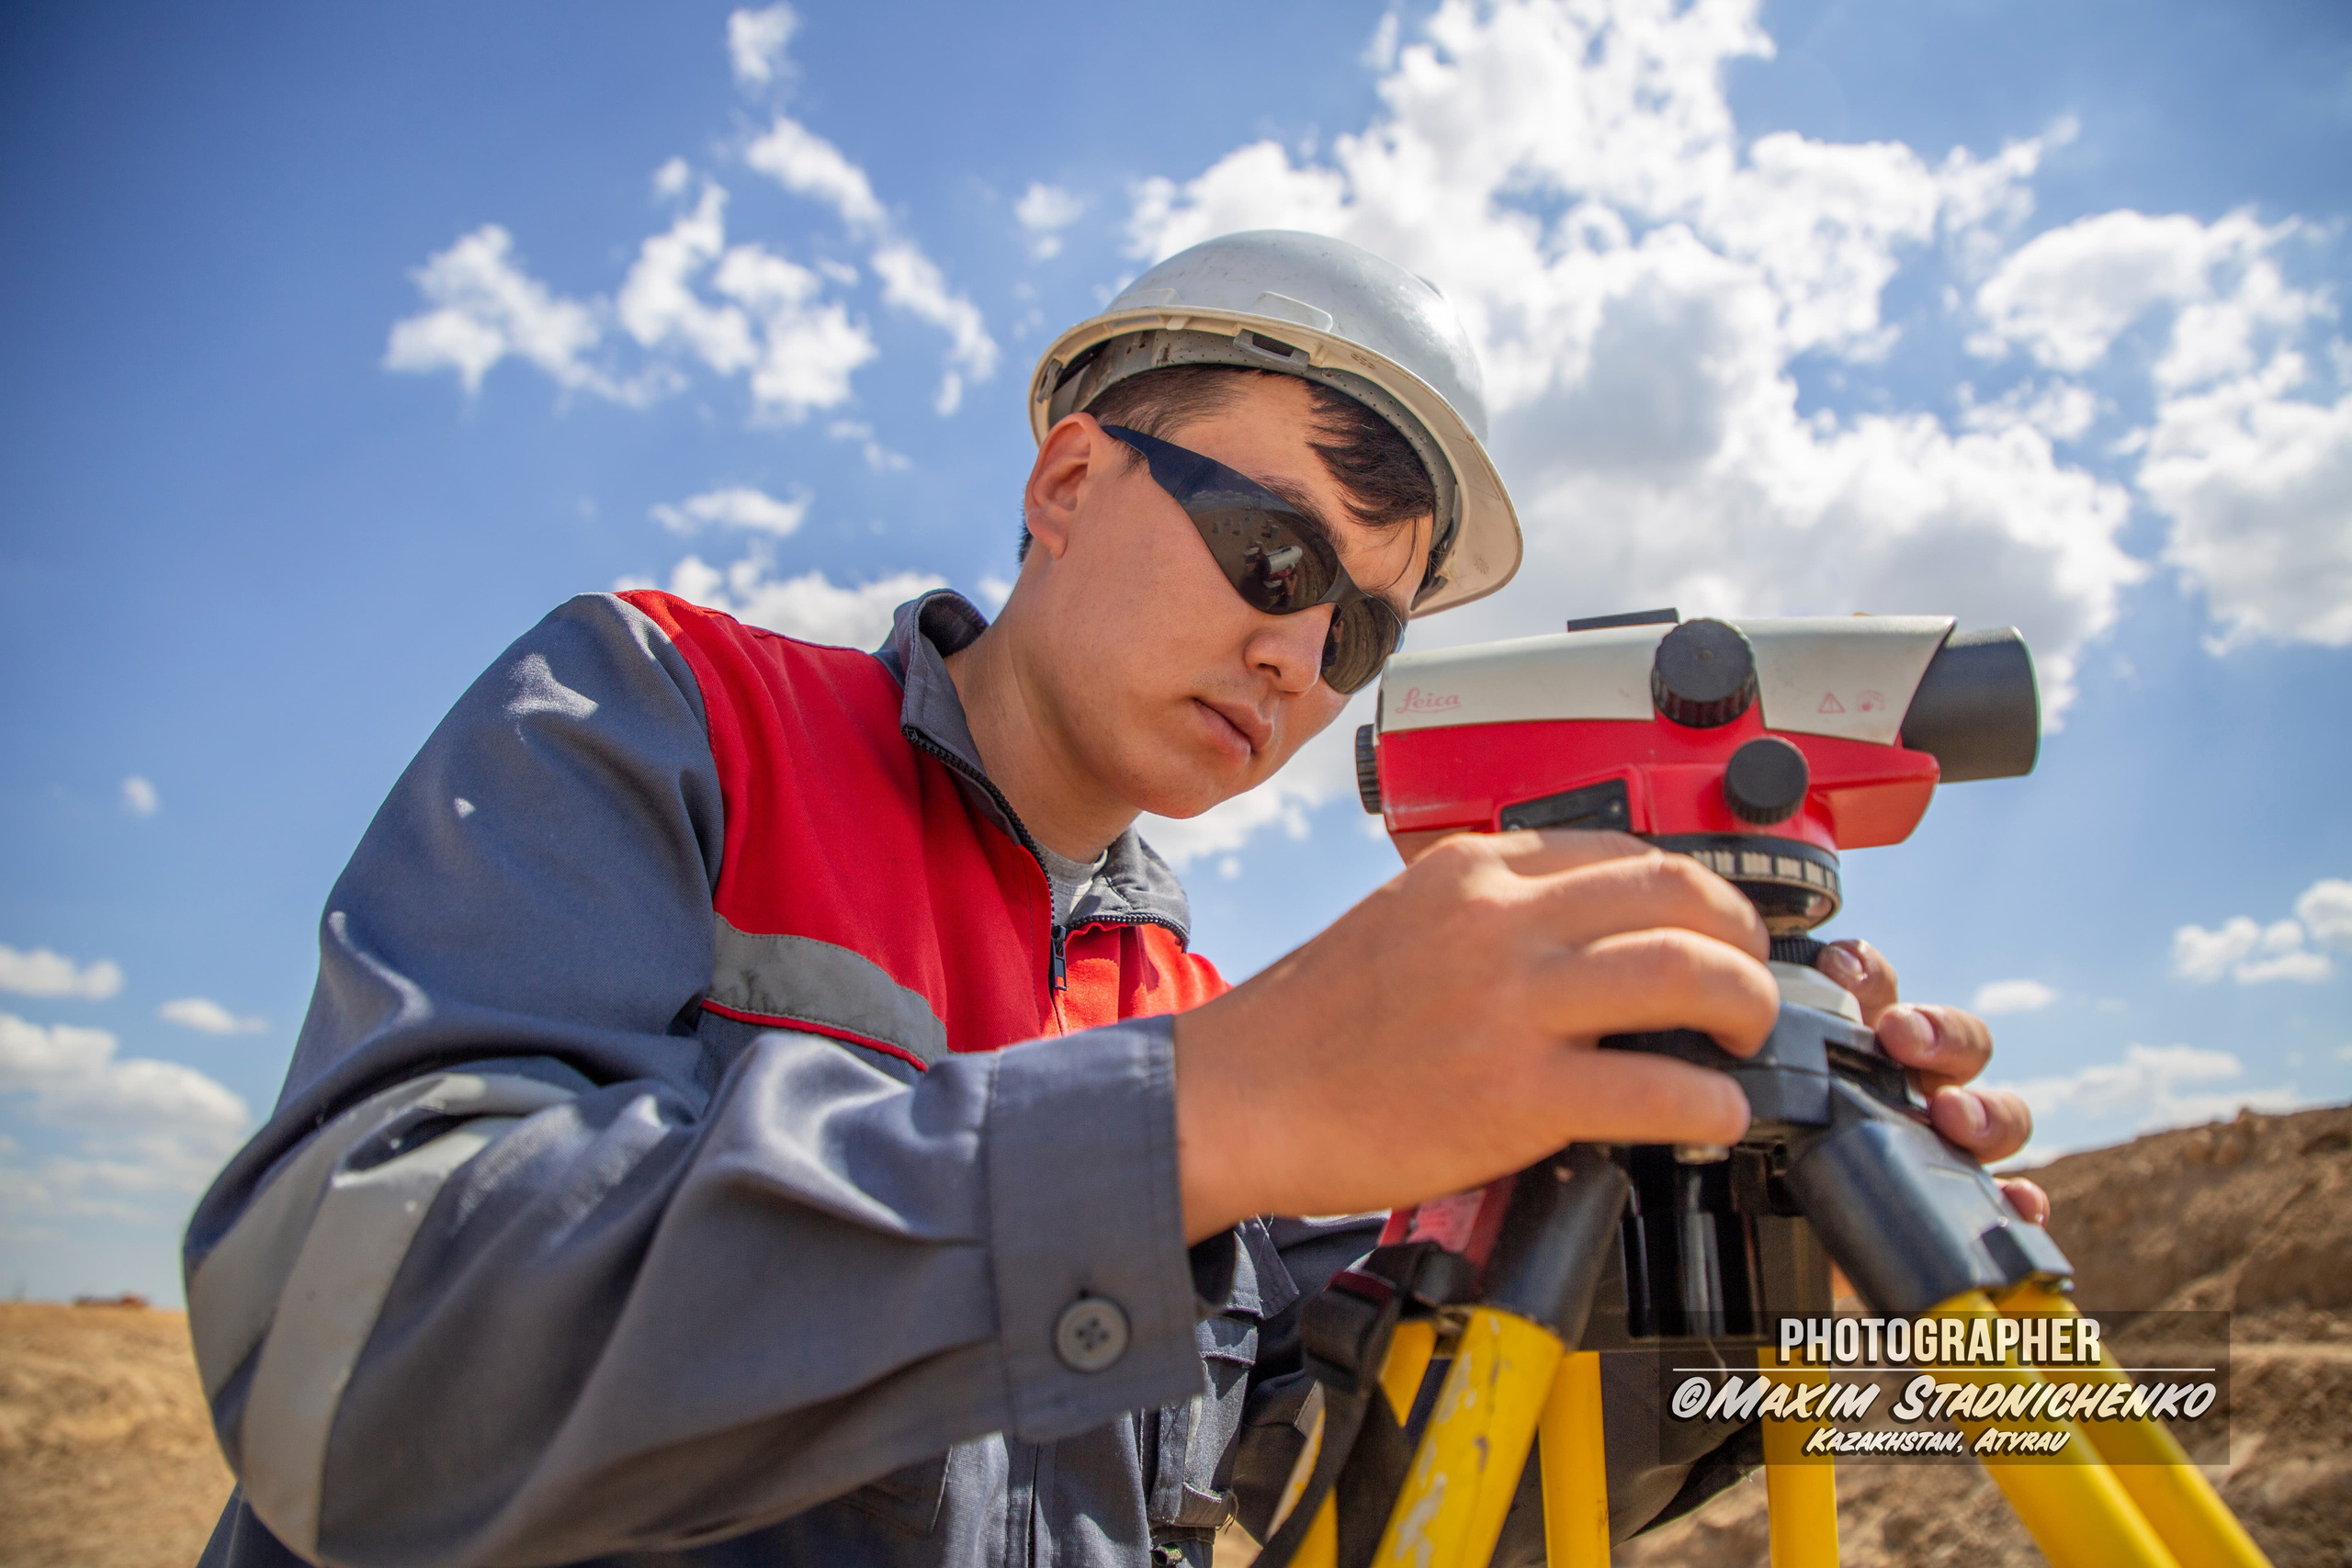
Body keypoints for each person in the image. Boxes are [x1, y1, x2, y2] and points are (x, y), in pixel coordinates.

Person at [186, 231, 2042, 1568]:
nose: (1300, 652)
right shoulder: (665, 715)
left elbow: (1393, 1500)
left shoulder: (1200, 996)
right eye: (1274, 546)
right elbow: (348, 1374)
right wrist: (1193, 1115)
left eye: (1364, 626)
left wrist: (1727, 1263)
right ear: (1068, 479)